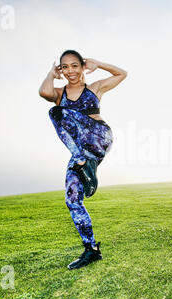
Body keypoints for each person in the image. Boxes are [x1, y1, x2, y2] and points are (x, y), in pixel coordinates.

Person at [39, 50, 127, 269]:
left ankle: (83, 162)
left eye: (75, 66)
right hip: (81, 153)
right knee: (72, 198)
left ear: (82, 66)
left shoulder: (94, 88)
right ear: (61, 69)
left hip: (99, 138)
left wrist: (100, 64)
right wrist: (51, 74)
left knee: (57, 113)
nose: (70, 71)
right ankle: (91, 249)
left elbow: (122, 74)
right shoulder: (60, 93)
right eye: (65, 67)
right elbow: (43, 92)